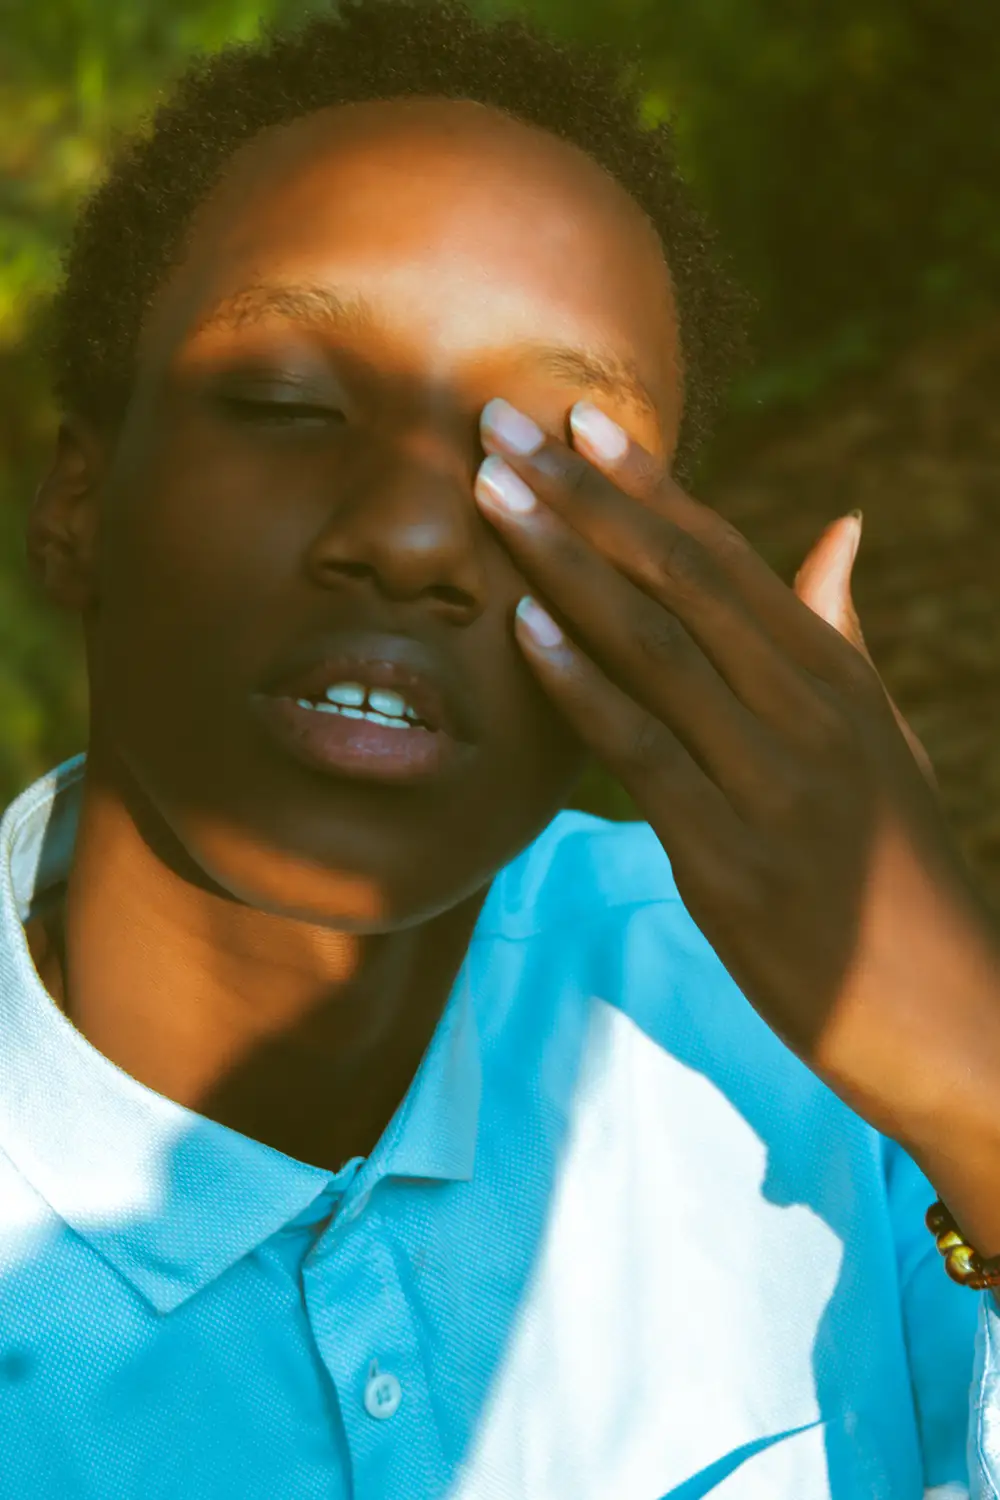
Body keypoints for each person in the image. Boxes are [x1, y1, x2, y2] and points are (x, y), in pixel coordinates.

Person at [5, 0, 1000, 1493]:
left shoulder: (816, 1051)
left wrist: (973, 1082)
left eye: (544, 459)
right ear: (79, 500)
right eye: (284, 404)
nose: (410, 538)